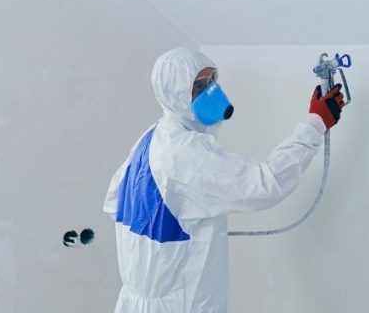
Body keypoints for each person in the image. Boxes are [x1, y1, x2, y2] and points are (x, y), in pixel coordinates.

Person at [102, 47, 346, 313]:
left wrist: (184, 224)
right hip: (180, 304)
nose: (212, 91)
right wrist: (315, 124)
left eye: (212, 79)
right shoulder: (184, 153)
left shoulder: (153, 137)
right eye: (199, 85)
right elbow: (265, 185)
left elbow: (115, 202)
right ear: (175, 94)